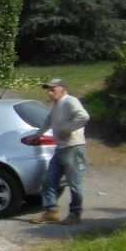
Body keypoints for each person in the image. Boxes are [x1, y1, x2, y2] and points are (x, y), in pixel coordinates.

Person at [29, 78, 90, 225]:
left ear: (63, 89)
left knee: (74, 182)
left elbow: (84, 117)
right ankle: (51, 212)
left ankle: (75, 214)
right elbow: (48, 121)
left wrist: (68, 129)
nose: (50, 93)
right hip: (61, 148)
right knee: (48, 181)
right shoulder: (56, 105)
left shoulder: (70, 101)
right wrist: (37, 135)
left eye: (53, 90)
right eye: (48, 90)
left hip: (73, 147)